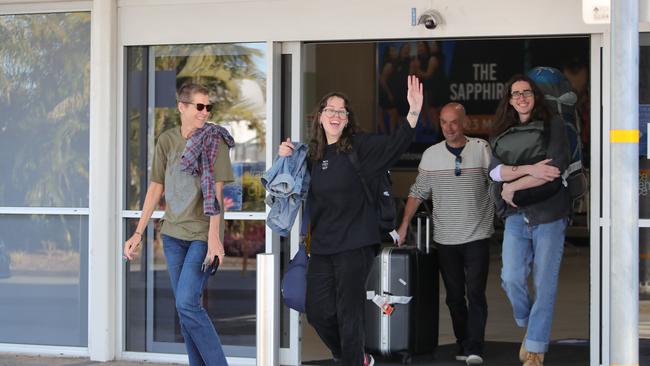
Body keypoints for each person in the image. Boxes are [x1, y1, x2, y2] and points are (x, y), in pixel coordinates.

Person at [277, 76, 423, 366]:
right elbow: (287, 184)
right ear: (320, 116)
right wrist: (285, 156)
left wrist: (413, 113)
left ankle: (352, 361)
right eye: (330, 110)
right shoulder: (312, 155)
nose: (335, 115)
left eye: (341, 111)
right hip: (321, 246)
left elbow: (396, 144)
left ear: (347, 120)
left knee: (349, 313)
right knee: (318, 311)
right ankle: (354, 357)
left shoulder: (360, 147)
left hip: (356, 243)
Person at [123, 83, 234, 366]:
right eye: (199, 106)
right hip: (173, 235)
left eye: (209, 107)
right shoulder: (167, 140)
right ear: (181, 106)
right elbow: (155, 188)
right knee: (186, 310)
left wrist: (214, 238)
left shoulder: (215, 140)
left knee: (186, 304)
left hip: (201, 234)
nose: (205, 112)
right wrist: (138, 232)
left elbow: (217, 193)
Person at [396, 102, 494, 365]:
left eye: (454, 122)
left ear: (465, 123)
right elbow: (418, 192)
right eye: (443, 122)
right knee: (453, 296)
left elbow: (496, 184)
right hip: (446, 238)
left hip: (477, 235)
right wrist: (405, 223)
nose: (448, 128)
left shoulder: (480, 149)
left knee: (475, 293)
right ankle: (463, 342)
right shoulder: (431, 155)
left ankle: (475, 347)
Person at [489, 74, 571, 366]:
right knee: (511, 278)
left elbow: (553, 169)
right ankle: (527, 322)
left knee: (544, 283)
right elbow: (494, 172)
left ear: (535, 97)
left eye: (526, 92)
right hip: (515, 216)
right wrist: (527, 169)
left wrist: (513, 185)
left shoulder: (554, 126)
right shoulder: (501, 131)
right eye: (515, 93)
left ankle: (535, 352)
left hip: (549, 214)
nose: (521, 97)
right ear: (509, 100)